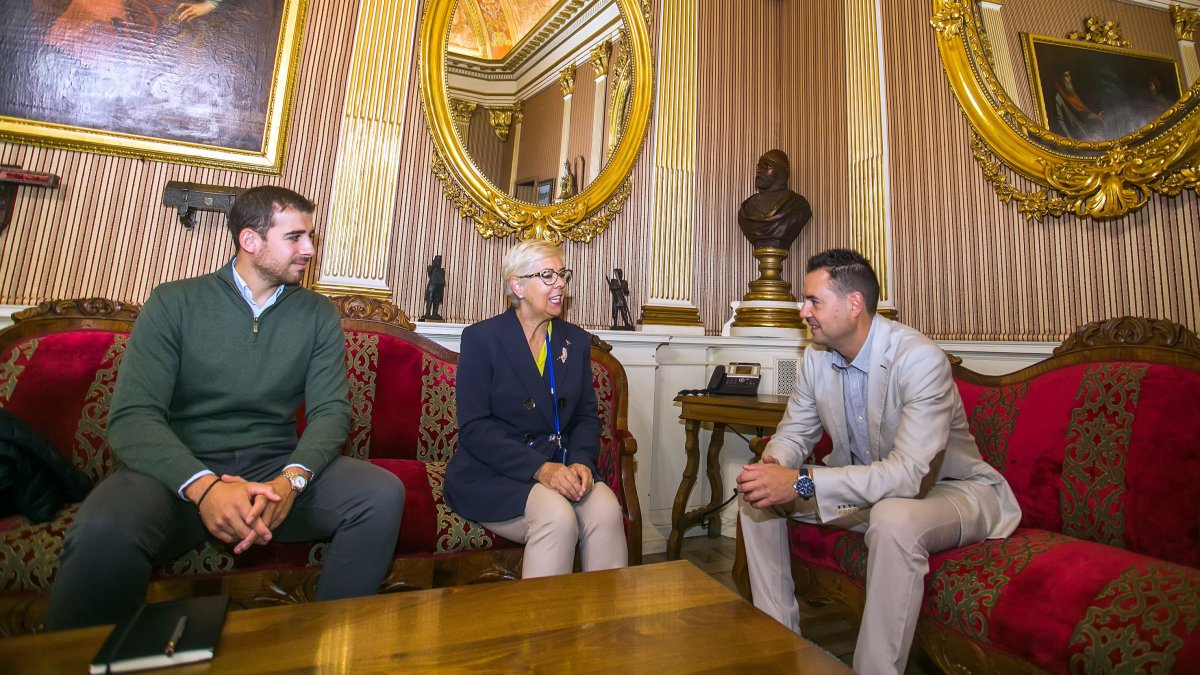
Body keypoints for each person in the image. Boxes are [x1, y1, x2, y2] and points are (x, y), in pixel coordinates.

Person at [46, 186, 406, 630]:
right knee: (104, 527)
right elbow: (133, 417)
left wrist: (291, 482)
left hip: (274, 467)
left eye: (310, 236)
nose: (309, 249)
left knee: (380, 493)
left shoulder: (318, 315)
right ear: (250, 241)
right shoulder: (173, 302)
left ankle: (324, 640)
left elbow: (332, 413)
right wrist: (206, 488)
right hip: (177, 472)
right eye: (295, 237)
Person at [737, 249, 1020, 675]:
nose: (802, 310)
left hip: (951, 492)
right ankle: (780, 647)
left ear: (853, 305)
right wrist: (773, 465)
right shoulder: (817, 357)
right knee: (755, 495)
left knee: (893, 518)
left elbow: (910, 475)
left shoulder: (919, 358)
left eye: (814, 300)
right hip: (867, 494)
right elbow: (795, 432)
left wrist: (799, 483)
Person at [444, 240, 627, 578]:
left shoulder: (574, 340)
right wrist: (540, 469)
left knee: (606, 509)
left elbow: (588, 417)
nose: (560, 283)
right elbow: (475, 429)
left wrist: (581, 462)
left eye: (562, 274)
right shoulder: (482, 339)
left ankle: (604, 626)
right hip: (496, 473)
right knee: (556, 515)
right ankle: (543, 630)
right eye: (547, 275)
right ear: (518, 286)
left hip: (563, 466)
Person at [737, 149, 812, 250]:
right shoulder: (746, 208)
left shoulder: (798, 205)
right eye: (759, 166)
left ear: (781, 171)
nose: (759, 170)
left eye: (766, 166)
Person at [422, 254, 446, 321]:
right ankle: (427, 313)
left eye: (439, 261)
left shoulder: (442, 270)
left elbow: (443, 281)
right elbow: (429, 273)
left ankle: (435, 313)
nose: (438, 262)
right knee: (429, 299)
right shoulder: (431, 268)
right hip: (432, 286)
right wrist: (433, 265)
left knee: (437, 300)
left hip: (438, 287)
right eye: (437, 260)